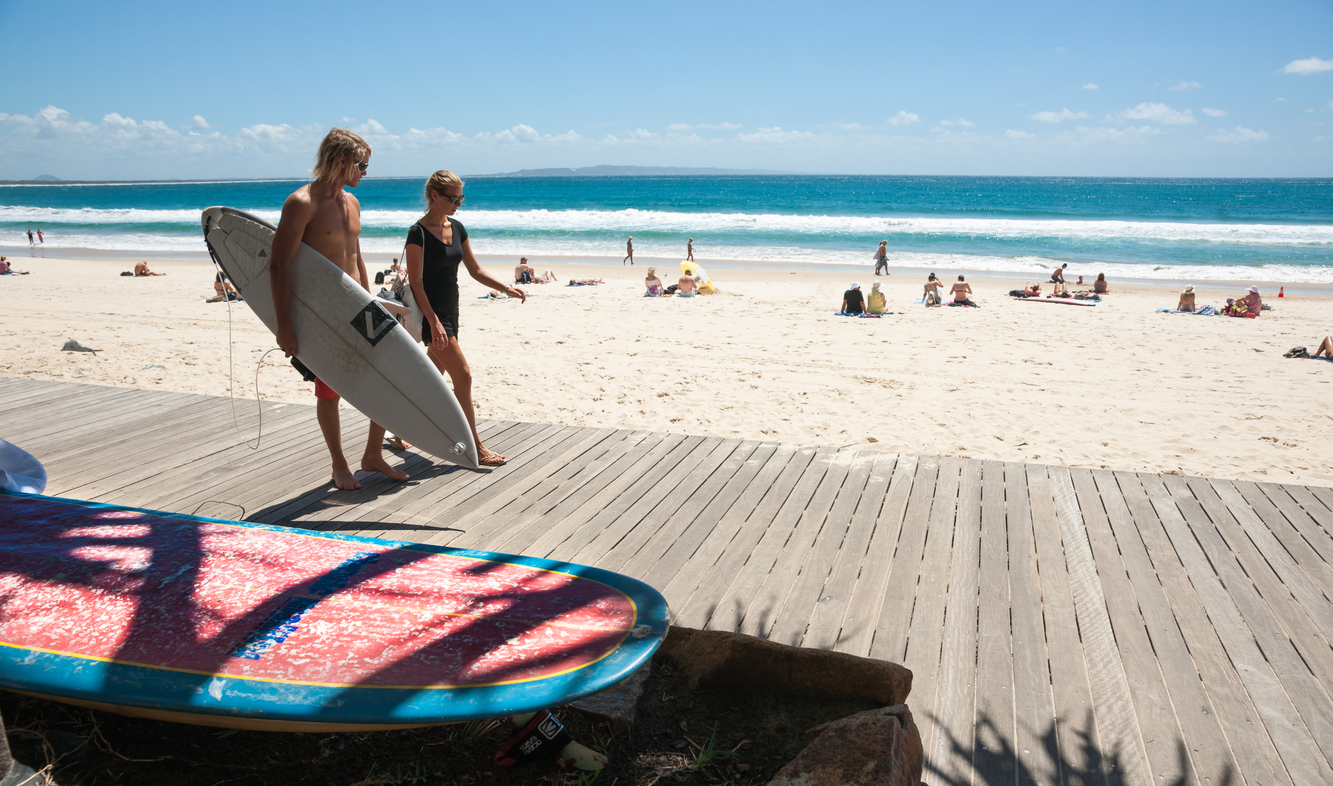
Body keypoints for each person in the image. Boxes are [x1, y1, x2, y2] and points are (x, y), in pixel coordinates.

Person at [270, 127, 407, 490]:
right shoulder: (302, 203)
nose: (365, 172)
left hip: (358, 308)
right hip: (323, 313)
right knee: (329, 390)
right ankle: (338, 463)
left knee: (386, 376)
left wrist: (369, 300)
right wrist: (284, 326)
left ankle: (373, 454)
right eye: (362, 165)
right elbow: (279, 265)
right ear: (342, 161)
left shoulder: (352, 203)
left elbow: (356, 256)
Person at [407, 169, 524, 468]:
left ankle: (397, 429)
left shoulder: (458, 228)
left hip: (451, 311)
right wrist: (432, 322)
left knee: (426, 379)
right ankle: (475, 445)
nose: (459, 202)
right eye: (453, 197)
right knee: (464, 376)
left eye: (461, 197)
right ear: (435, 195)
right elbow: (417, 283)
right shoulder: (417, 233)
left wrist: (505, 287)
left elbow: (474, 270)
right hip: (432, 316)